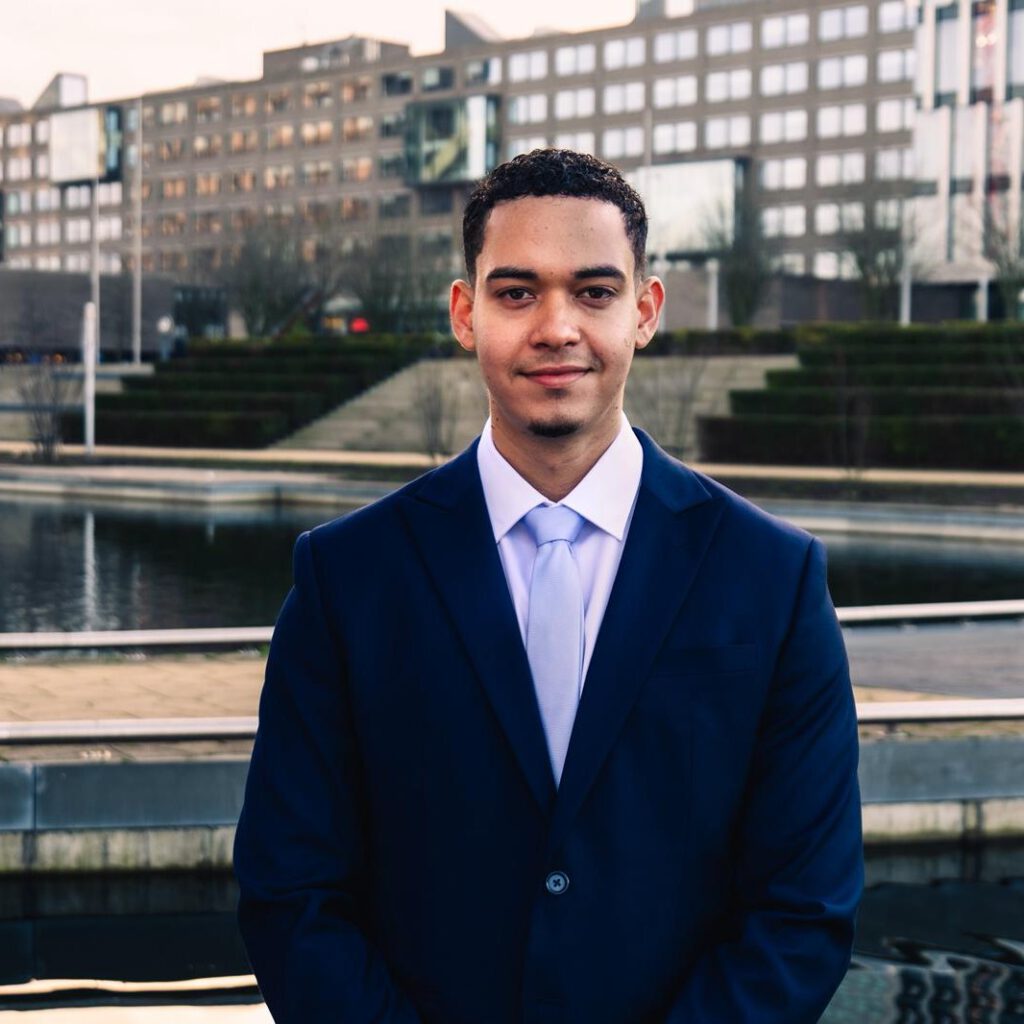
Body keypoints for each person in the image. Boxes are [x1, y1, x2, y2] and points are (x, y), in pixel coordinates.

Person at [233, 149, 863, 1024]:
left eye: (595, 292)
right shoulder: (347, 578)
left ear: (645, 311)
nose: (556, 327)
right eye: (518, 292)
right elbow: (291, 890)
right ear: (466, 313)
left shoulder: (774, 578)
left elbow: (804, 909)